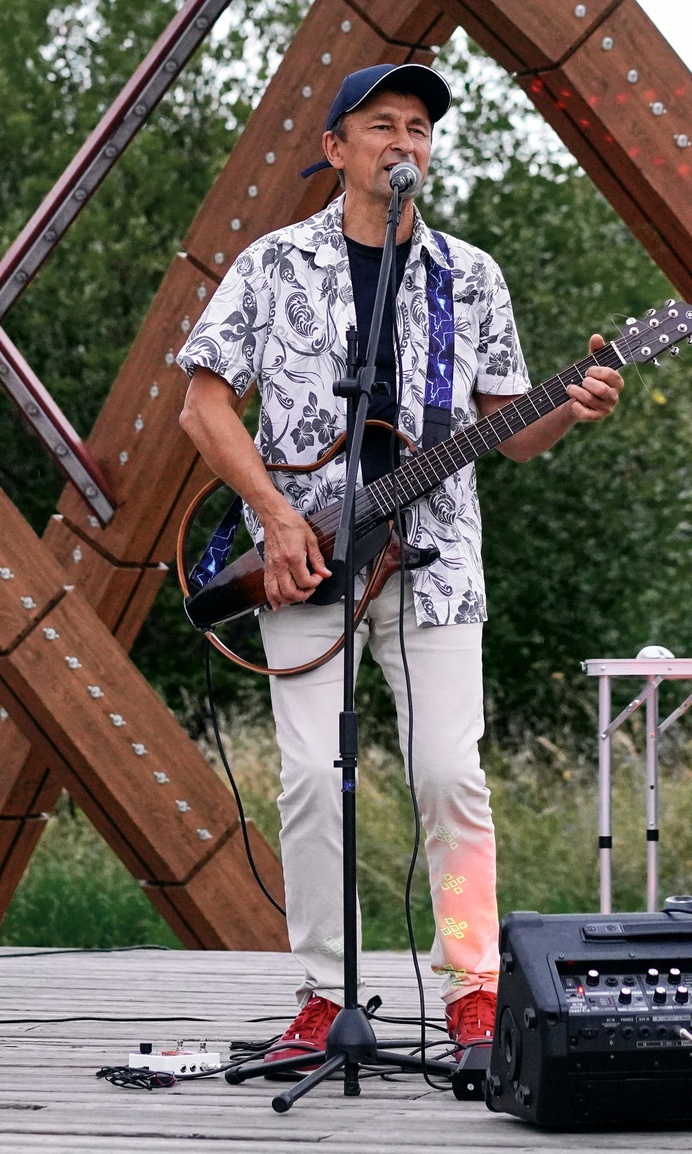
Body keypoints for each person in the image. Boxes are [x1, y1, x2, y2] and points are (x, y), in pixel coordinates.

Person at [176, 62, 624, 1060]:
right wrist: (274, 515)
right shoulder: (270, 265)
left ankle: (472, 983)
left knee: (448, 774)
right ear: (335, 148)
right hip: (304, 562)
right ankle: (322, 990)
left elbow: (506, 432)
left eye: (419, 127)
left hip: (436, 565)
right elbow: (202, 405)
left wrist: (570, 406)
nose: (405, 143)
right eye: (382, 125)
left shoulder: (470, 275)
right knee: (307, 776)